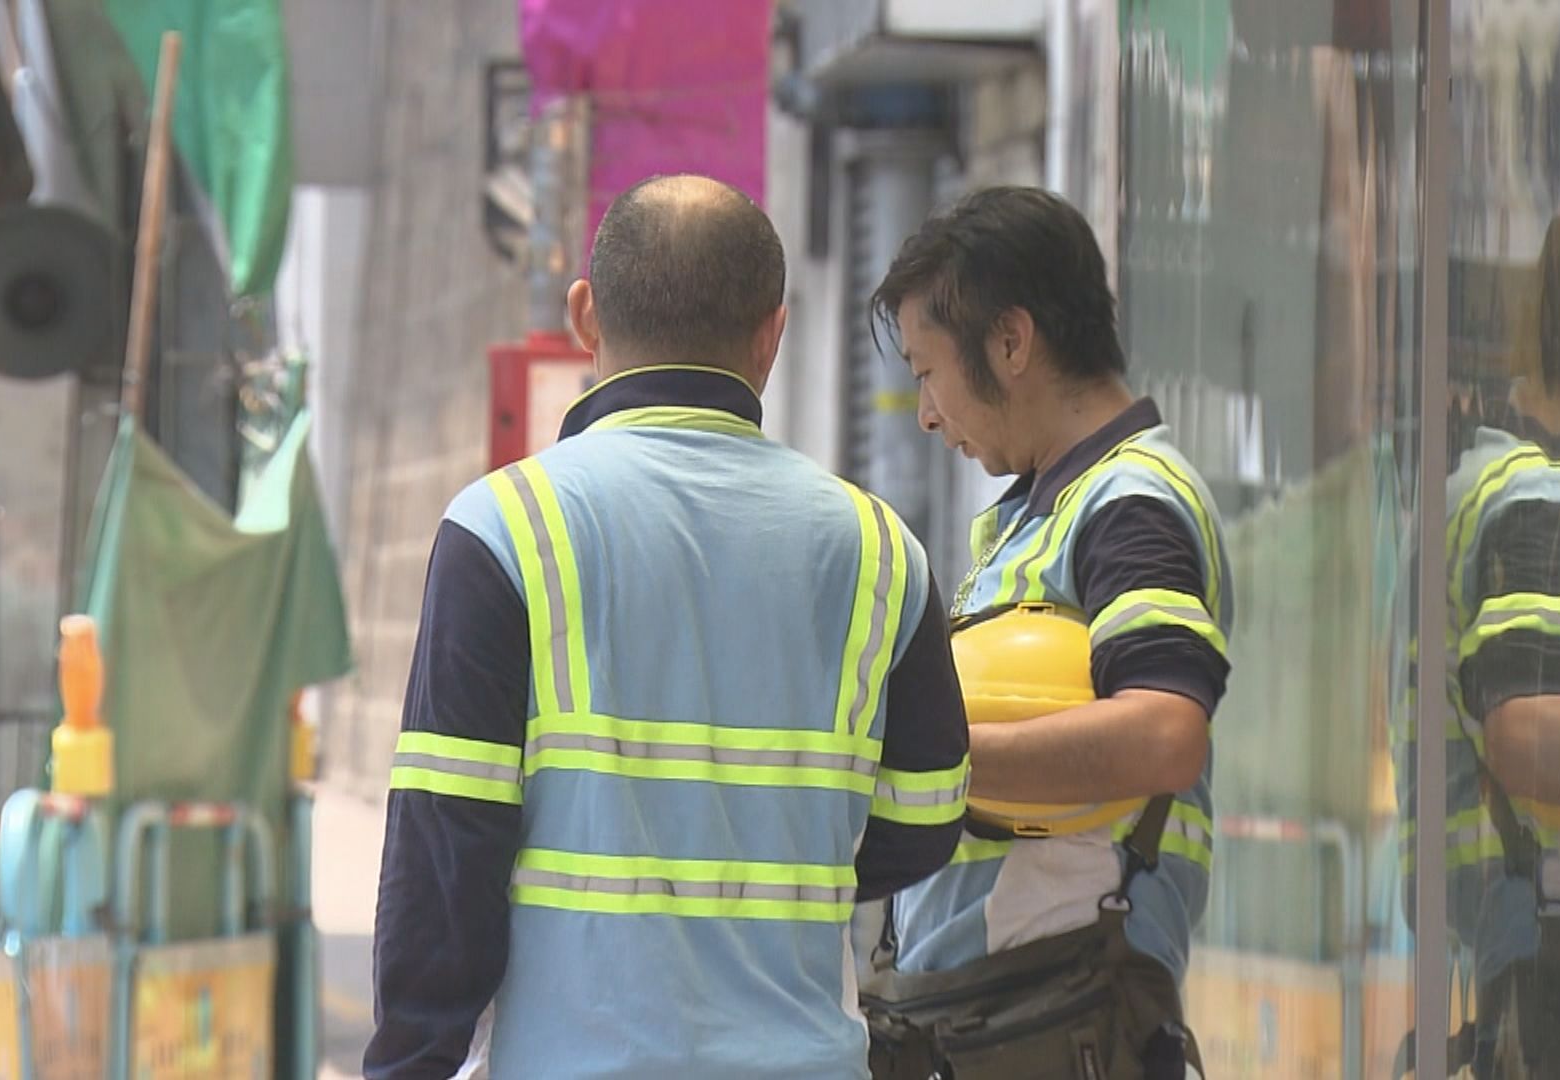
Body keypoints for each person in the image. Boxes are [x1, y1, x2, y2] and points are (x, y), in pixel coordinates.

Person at [364, 174, 972, 1080]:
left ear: (585, 315)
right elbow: (925, 820)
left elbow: (445, 856)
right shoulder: (882, 549)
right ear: (772, 335)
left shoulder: (505, 531)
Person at [861, 186, 1231, 1078]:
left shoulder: (1129, 502)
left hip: (1061, 1015)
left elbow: (1165, 732)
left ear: (1011, 342)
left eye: (927, 371)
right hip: (998, 1015)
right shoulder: (1047, 511)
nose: (927, 413)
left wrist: (928, 758)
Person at [1431, 201, 1560, 1077]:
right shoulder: (1536, 504)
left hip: (1521, 952)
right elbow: (1529, 737)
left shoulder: (1499, 478)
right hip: (1553, 961)